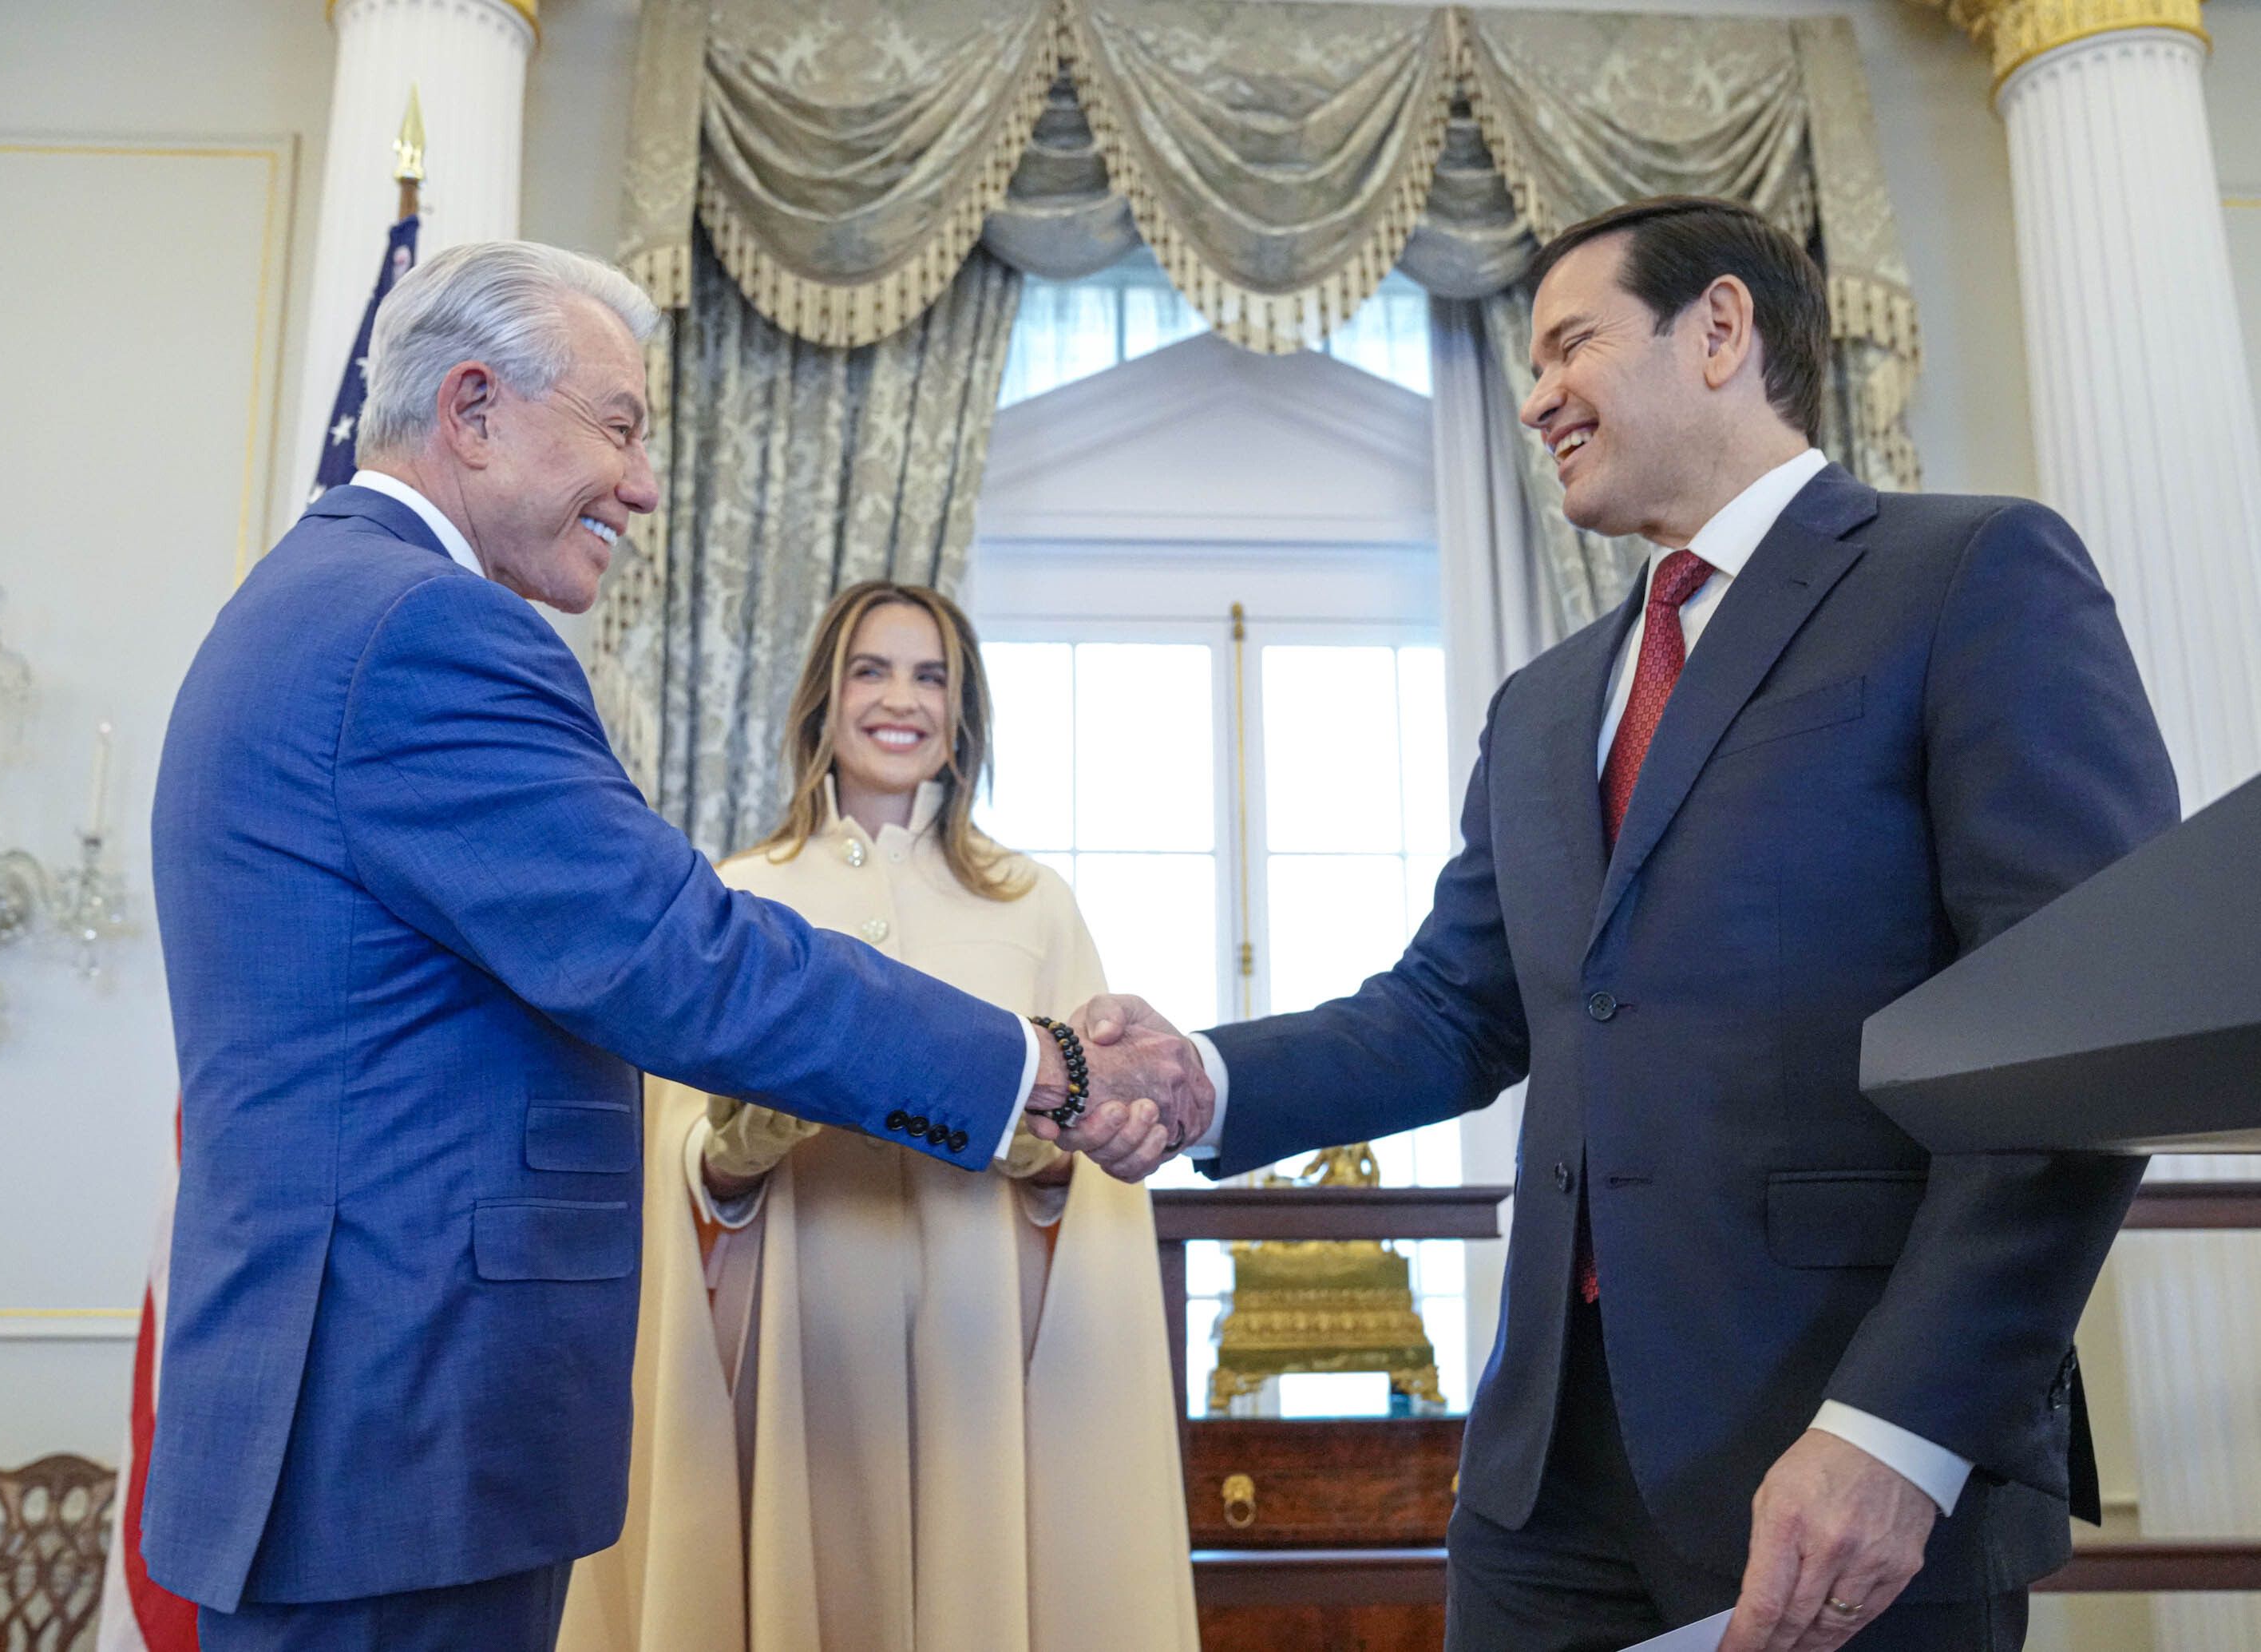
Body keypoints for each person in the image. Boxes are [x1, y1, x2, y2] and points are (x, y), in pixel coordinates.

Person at [1047, 196, 2178, 1652]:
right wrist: (1203, 1073)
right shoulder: (1544, 703)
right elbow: (1456, 1011)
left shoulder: (1971, 577)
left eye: (1569, 342)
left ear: (1719, 329)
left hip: (1839, 1464)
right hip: (1539, 1488)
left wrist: (1903, 1432)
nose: (1533, 398)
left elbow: (2081, 1037)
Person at [145, 241, 1211, 1652]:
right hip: (400, 1423)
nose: (644, 485)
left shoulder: (314, 602)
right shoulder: (423, 631)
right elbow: (680, 954)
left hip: (367, 1417)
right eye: (623, 427)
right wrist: (1048, 1063)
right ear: (473, 410)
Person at [560, 582, 1200, 1652]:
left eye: (930, 673)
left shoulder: (1033, 907)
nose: (900, 698)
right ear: (824, 700)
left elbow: (1090, 1170)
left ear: (963, 715)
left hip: (980, 1355)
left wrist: (1042, 1151)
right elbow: (677, 1172)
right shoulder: (737, 898)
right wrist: (732, 1152)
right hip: (798, 1350)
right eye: (872, 668)